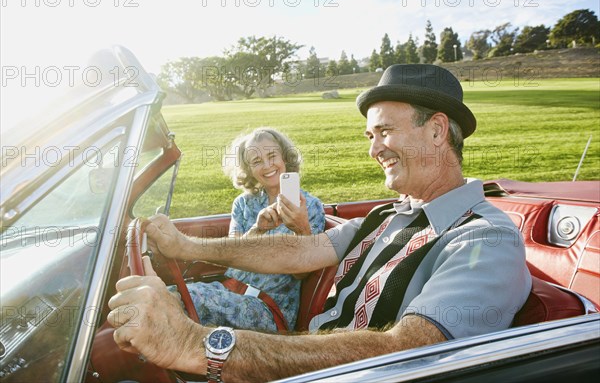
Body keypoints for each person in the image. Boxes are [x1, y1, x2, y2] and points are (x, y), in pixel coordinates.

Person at [108, 64, 532, 382]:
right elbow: (300, 250)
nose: (374, 150)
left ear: (438, 131)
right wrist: (189, 247)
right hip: (303, 354)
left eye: (383, 132)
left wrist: (192, 343)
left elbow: (405, 350)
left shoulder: (484, 238)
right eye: (371, 137)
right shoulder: (387, 215)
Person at [184, 127, 325, 332]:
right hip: (230, 291)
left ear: (285, 157)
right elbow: (231, 255)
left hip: (268, 309)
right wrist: (257, 230)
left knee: (188, 300)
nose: (267, 166)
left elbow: (302, 274)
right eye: (257, 161)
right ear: (249, 169)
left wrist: (301, 229)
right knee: (175, 295)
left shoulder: (310, 206)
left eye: (272, 156)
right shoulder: (243, 204)